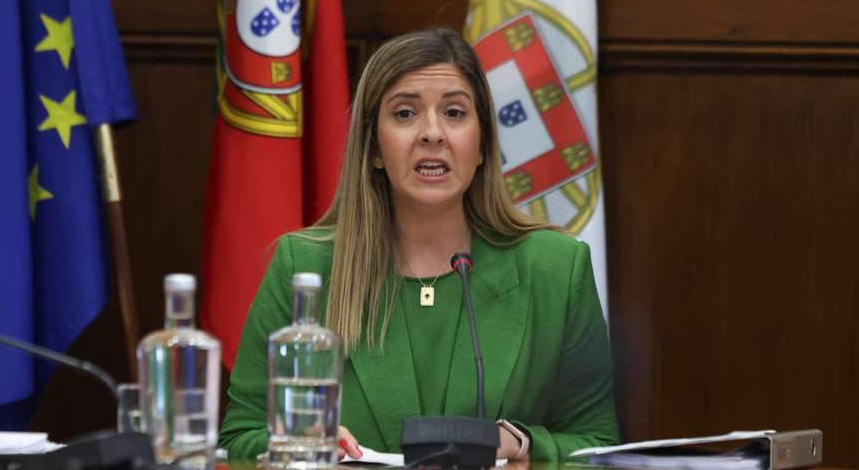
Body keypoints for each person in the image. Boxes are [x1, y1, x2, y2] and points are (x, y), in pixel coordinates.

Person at [218, 28, 619, 462]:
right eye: (406, 113)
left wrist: (524, 446)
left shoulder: (555, 269)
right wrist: (305, 444)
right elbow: (240, 438)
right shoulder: (305, 267)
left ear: (482, 144)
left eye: (454, 112)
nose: (432, 133)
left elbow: (599, 447)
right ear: (373, 148)